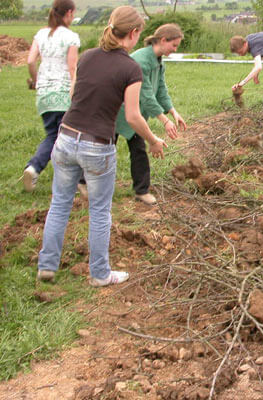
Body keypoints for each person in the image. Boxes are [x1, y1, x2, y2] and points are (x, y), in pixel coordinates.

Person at [36, 6, 167, 287]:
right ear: (133, 34)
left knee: (59, 204)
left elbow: (74, 95)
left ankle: (46, 266)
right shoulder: (130, 68)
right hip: (97, 147)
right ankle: (99, 274)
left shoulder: (88, 57)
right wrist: (154, 141)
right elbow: (132, 116)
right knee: (99, 211)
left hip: (66, 138)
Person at [115, 23, 187, 205]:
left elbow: (160, 90)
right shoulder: (141, 61)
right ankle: (84, 182)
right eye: (174, 45)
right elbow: (146, 95)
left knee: (138, 150)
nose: (175, 49)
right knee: (105, 149)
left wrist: (173, 113)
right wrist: (164, 122)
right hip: (117, 111)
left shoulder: (158, 60)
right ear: (163, 40)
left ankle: (141, 191)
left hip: (135, 113)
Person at [23, 0, 84, 194]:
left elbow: (31, 60)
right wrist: (74, 90)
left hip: (44, 94)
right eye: (73, 14)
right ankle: (77, 181)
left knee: (53, 135)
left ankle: (33, 168)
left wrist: (35, 81)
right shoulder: (71, 37)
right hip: (64, 93)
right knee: (71, 138)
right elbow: (72, 66)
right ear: (68, 13)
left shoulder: (41, 34)